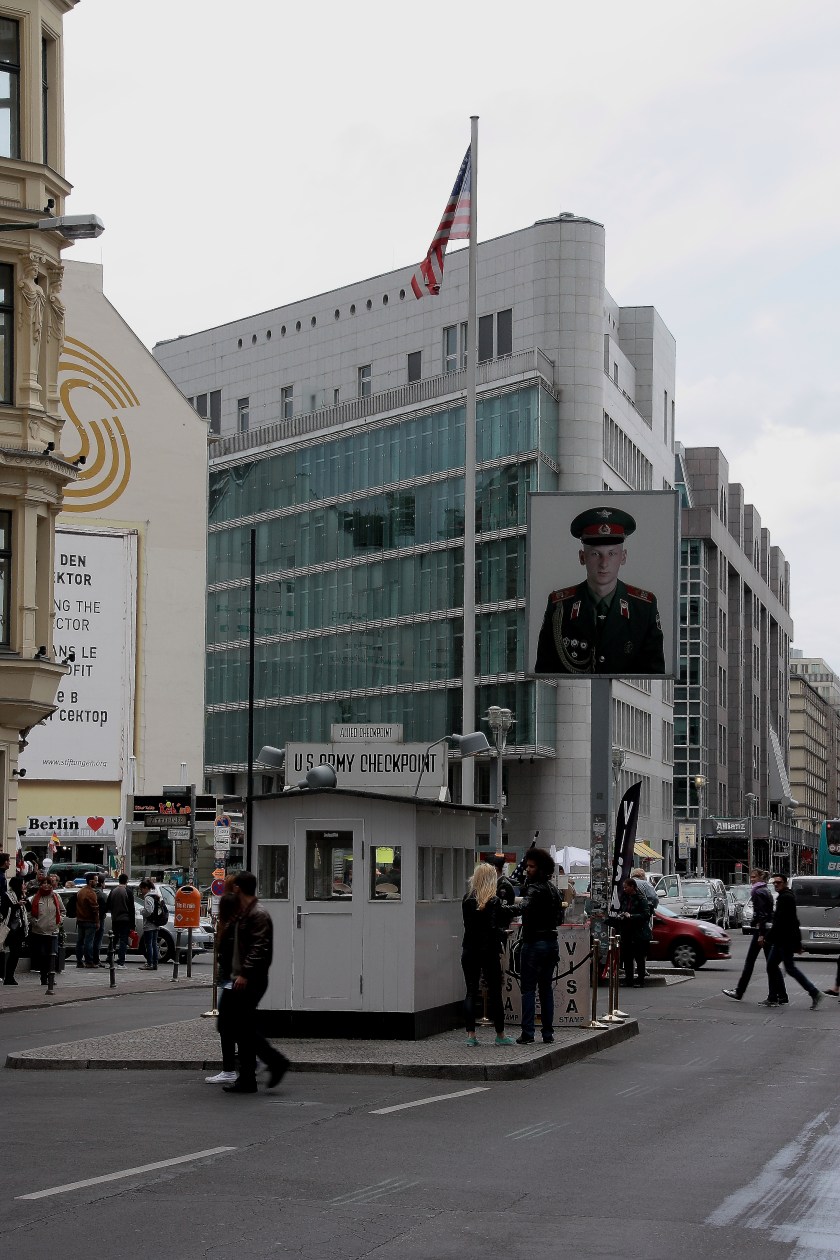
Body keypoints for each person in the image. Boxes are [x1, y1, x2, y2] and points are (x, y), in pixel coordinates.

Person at [534, 506, 665, 675]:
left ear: (623, 557)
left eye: (612, 554)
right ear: (582, 557)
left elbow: (655, 672)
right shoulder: (560, 606)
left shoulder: (643, 607)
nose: (604, 563)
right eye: (596, 554)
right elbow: (545, 671)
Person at [216, 871, 289, 1094]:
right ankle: (250, 1077)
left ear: (238, 888)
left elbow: (259, 948)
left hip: (250, 979)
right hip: (239, 978)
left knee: (238, 1026)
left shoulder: (258, 914)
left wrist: (245, 973)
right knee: (235, 1026)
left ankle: (271, 1064)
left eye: (233, 886)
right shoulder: (244, 912)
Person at [461, 863, 517, 1047]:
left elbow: (470, 927)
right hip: (489, 950)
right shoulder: (493, 901)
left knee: (470, 991)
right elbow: (492, 928)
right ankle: (500, 1035)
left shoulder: (467, 899)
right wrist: (503, 933)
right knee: (495, 992)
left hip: (470, 949)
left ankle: (471, 1035)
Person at [516, 846, 562, 1045]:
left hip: (534, 942)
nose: (527, 869)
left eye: (531, 866)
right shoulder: (553, 890)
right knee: (546, 989)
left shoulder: (535, 888)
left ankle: (527, 1033)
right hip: (551, 943)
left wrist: (499, 907)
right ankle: (548, 1033)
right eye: (527, 866)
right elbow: (559, 919)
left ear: (541, 868)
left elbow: (522, 907)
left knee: (528, 989)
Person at [722, 869, 786, 1004]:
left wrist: (761, 934)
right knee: (772, 964)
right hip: (767, 929)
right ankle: (781, 995)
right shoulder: (766, 891)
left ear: (760, 878)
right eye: (750, 877)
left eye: (754, 877)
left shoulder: (757, 892)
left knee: (750, 962)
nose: (752, 880)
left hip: (761, 931)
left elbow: (761, 914)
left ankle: (740, 992)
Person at [763, 873, 823, 1010]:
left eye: (779, 882)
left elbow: (783, 922)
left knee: (789, 968)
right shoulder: (785, 897)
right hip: (781, 940)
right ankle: (773, 997)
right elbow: (793, 921)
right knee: (772, 966)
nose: (776, 884)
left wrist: (768, 937)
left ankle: (814, 992)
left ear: (784, 883)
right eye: (774, 883)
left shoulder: (786, 898)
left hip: (784, 940)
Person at [207, 891, 241, 1085]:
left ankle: (230, 1068)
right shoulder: (235, 925)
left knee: (226, 1027)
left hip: (232, 981)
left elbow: (227, 956)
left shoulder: (232, 927)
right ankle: (249, 1061)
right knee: (235, 1026)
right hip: (233, 980)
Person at [28, 876, 65, 985]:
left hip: (53, 931)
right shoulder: (35, 898)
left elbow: (62, 911)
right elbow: (29, 914)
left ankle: (50, 976)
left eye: (48, 883)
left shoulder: (56, 897)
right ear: (40, 885)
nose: (46, 885)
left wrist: (59, 920)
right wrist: (35, 922)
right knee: (42, 955)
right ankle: (43, 976)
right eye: (44, 883)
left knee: (52, 955)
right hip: (39, 932)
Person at [619, 877, 653, 987]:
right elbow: (622, 909)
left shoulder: (641, 899)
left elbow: (646, 915)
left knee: (639, 957)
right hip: (627, 930)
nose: (624, 889)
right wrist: (622, 915)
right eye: (624, 887)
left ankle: (640, 979)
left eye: (626, 887)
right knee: (627, 956)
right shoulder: (625, 897)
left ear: (632, 887)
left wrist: (632, 916)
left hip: (639, 932)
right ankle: (629, 979)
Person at [1, 875, 29, 985]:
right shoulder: (7, 896)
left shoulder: (21, 895)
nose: (24, 885)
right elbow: (4, 910)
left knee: (15, 953)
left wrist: (24, 898)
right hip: (9, 928)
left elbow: (28, 908)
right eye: (23, 883)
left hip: (19, 929)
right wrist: (17, 905)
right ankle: (8, 977)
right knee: (13, 953)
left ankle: (9, 976)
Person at [105, 873, 135, 968]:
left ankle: (110, 958)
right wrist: (132, 924)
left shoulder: (113, 891)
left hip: (115, 919)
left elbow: (108, 906)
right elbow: (131, 909)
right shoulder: (128, 892)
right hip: (125, 919)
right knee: (123, 940)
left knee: (113, 939)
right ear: (126, 881)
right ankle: (121, 961)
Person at [74, 872, 99, 968]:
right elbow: (95, 909)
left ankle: (79, 961)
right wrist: (97, 921)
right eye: (95, 880)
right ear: (90, 881)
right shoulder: (91, 893)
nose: (96, 882)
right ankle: (89, 961)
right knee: (88, 942)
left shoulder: (81, 891)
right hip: (89, 920)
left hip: (80, 919)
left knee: (80, 942)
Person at [138, 879, 161, 970]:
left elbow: (148, 911)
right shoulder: (156, 896)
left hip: (149, 924)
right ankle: (155, 963)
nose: (141, 891)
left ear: (146, 888)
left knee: (149, 944)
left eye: (141, 889)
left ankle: (150, 963)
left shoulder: (148, 897)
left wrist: (141, 911)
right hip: (156, 923)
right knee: (154, 944)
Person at [92, 874, 109, 964]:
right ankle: (95, 959)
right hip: (99, 919)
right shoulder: (102, 895)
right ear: (102, 883)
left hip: (89, 918)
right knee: (97, 940)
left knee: (90, 939)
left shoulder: (90, 892)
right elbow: (105, 908)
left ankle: (90, 959)